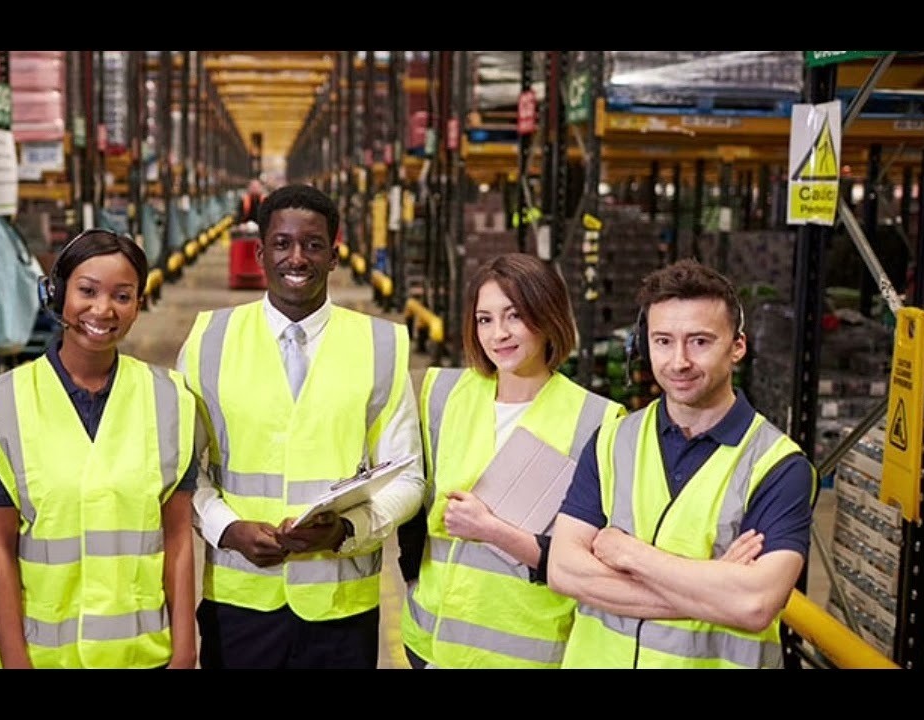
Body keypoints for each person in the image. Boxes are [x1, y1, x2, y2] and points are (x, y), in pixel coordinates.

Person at [178, 183, 424, 669]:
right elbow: (183, 469)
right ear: (260, 252)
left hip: (340, 606)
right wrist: (227, 530)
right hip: (241, 599)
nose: (297, 258)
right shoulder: (209, 339)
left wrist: (347, 530)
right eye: (283, 244)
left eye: (313, 245)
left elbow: (409, 476)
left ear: (334, 255)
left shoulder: (382, 345)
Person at [548, 258, 817, 669]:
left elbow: (754, 604)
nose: (678, 362)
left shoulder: (778, 466)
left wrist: (629, 554)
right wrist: (712, 586)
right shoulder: (611, 441)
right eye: (663, 341)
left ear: (737, 346)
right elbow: (565, 572)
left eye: (700, 341)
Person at [0, 228, 199, 669]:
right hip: (46, 658)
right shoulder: (3, 404)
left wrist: (185, 652)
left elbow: (177, 537)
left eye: (122, 295)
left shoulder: (169, 399)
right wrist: (16, 662)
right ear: (58, 295)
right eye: (87, 291)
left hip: (144, 655)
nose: (103, 309)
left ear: (138, 304)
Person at [397, 253, 625, 669]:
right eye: (484, 319)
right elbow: (415, 505)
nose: (498, 333)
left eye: (514, 316)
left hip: (528, 650)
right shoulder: (443, 395)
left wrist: (492, 531)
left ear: (547, 315)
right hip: (431, 641)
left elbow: (597, 556)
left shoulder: (597, 421)